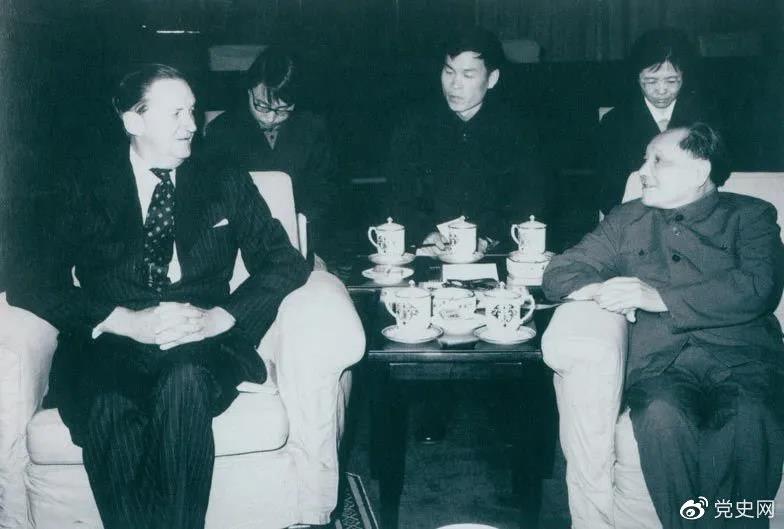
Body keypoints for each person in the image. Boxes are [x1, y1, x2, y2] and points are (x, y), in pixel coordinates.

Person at [7, 64, 309, 529]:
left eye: (192, 110)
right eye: (176, 113)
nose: (192, 124)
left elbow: (285, 260)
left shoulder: (223, 175)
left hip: (201, 342)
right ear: (134, 120)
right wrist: (120, 319)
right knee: (108, 402)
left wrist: (223, 317)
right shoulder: (85, 183)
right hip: (108, 345)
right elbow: (29, 278)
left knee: (183, 384)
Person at [543, 123, 784, 529]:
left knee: (749, 417)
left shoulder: (751, 215)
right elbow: (559, 272)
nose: (642, 171)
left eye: (657, 161)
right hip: (660, 365)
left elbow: (759, 287)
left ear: (699, 170)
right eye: (644, 159)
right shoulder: (626, 219)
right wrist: (604, 289)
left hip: (743, 359)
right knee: (659, 417)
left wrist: (658, 297)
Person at [385, 26, 551, 255]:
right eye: (449, 72)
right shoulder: (414, 125)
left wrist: (488, 239)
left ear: (492, 79)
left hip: (495, 251)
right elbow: (397, 196)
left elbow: (530, 203)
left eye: (468, 75)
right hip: (428, 251)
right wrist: (425, 234)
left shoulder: (518, 130)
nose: (455, 84)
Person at [204, 45, 338, 259]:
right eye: (262, 106)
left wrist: (308, 242)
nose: (271, 118)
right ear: (249, 91)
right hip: (238, 245)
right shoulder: (221, 131)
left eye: (283, 110)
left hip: (302, 240)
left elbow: (324, 192)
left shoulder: (312, 129)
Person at [596, 28, 720, 215]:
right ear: (637, 77)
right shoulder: (614, 122)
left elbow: (719, 173)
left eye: (672, 81)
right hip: (637, 214)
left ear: (684, 76)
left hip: (694, 213)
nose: (661, 90)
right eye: (651, 81)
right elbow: (607, 191)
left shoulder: (705, 116)